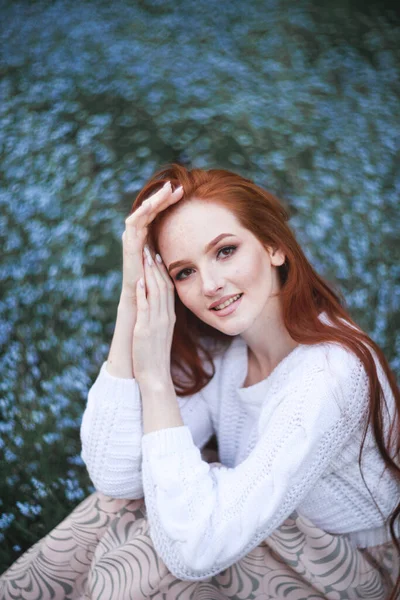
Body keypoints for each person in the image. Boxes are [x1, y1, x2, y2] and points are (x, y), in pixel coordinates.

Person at [1, 163, 399, 600]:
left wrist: (154, 377)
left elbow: (195, 552)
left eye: (225, 251)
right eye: (184, 272)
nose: (209, 284)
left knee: (152, 547)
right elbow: (115, 478)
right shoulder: (225, 350)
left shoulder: (328, 373)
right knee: (120, 507)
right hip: (267, 531)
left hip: (350, 569)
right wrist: (129, 305)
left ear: (273, 247)